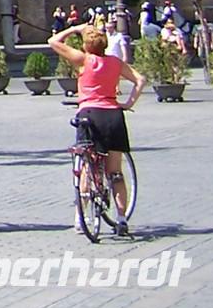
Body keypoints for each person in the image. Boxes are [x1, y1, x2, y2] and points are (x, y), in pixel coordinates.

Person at [49, 21, 145, 237]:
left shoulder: (84, 60)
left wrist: (75, 28)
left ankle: (80, 217)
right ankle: (121, 219)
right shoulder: (115, 62)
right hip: (113, 116)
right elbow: (140, 79)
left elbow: (53, 41)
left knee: (86, 166)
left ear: (86, 45)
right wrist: (128, 103)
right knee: (116, 172)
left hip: (89, 115)